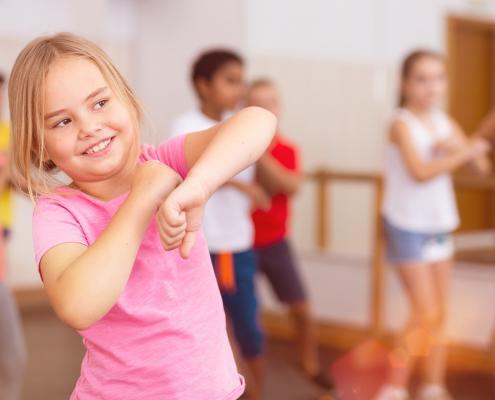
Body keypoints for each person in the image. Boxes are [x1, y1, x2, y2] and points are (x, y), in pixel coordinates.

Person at [9, 33, 276, 400]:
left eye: (100, 103)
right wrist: (142, 197)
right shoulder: (59, 211)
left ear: (127, 100)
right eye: (62, 122)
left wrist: (198, 185)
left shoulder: (166, 160)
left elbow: (257, 121)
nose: (89, 126)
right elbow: (78, 305)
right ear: (41, 146)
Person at [376, 49, 489, 400]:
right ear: (405, 83)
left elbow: (482, 171)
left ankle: (432, 386)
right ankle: (393, 387)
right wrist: (461, 152)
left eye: (438, 78)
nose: (431, 87)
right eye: (422, 79)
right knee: (423, 312)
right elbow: (420, 172)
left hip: (440, 224)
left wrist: (464, 146)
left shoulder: (445, 121)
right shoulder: (400, 123)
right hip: (406, 226)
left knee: (440, 312)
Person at [170, 50, 269, 400]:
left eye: (241, 80)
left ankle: (256, 391)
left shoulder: (241, 123)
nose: (239, 88)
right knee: (213, 333)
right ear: (203, 85)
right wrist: (243, 184)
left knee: (248, 330)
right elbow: (204, 171)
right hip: (205, 247)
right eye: (230, 80)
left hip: (237, 244)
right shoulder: (185, 127)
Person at [247, 78, 333, 390]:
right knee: (245, 319)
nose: (264, 108)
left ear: (279, 108)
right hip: (239, 245)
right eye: (256, 102)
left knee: (303, 311)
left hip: (275, 243)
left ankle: (308, 364)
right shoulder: (233, 147)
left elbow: (290, 185)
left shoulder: (287, 149)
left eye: (270, 102)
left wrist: (258, 152)